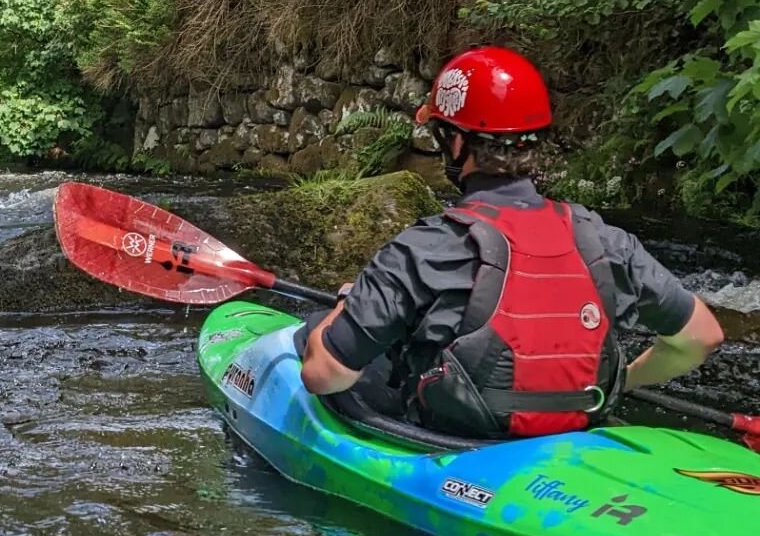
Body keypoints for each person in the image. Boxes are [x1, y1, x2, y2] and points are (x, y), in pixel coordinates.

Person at [300, 45, 724, 438]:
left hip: (459, 442)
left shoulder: (423, 248)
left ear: (458, 142)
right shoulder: (605, 240)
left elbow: (324, 374)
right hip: (575, 427)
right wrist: (624, 380)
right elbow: (702, 336)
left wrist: (344, 306)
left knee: (314, 334)